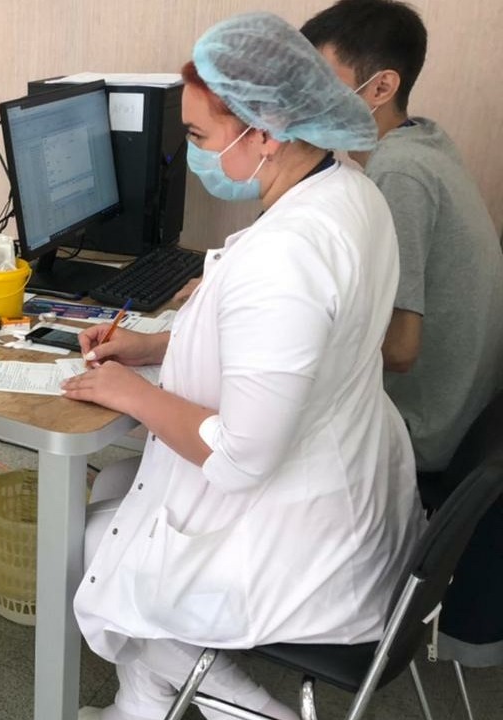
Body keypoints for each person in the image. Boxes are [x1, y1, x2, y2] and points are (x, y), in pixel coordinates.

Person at [62, 12, 424, 720]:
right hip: (346, 487)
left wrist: (130, 392)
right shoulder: (350, 190)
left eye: (198, 136)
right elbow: (294, 345)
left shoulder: (286, 254)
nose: (191, 154)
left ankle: (253, 711)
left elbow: (240, 456)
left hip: (304, 546)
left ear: (266, 133)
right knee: (119, 484)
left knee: (93, 546)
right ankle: (141, 704)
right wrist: (155, 348)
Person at [301, 0, 503, 487]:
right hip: (467, 413)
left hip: (424, 430)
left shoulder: (400, 172)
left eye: (319, 82)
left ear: (381, 87)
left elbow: (398, 349)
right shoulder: (425, 140)